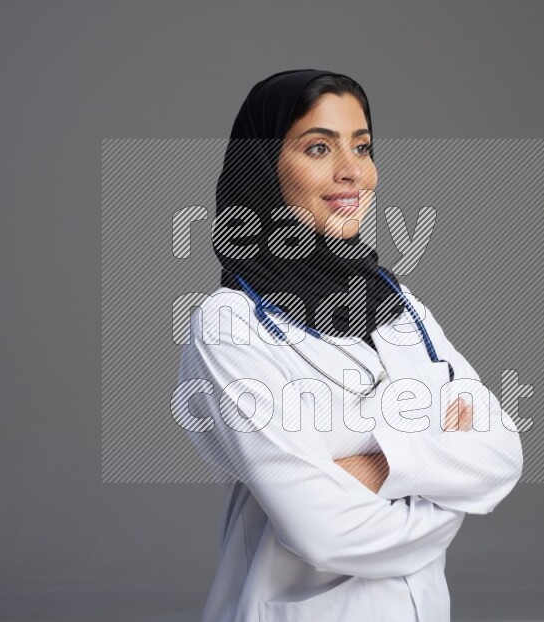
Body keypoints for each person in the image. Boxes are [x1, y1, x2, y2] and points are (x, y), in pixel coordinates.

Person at [176, 69, 523, 622]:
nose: (351, 173)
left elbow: (503, 453)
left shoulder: (395, 301)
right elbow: (322, 531)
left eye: (362, 148)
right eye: (319, 148)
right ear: (263, 169)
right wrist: (441, 486)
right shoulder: (229, 324)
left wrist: (373, 467)